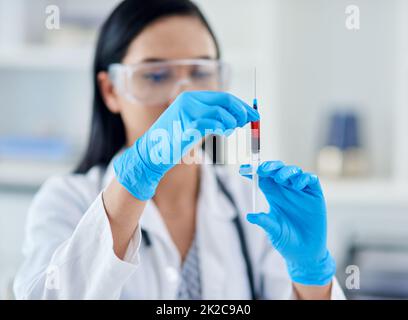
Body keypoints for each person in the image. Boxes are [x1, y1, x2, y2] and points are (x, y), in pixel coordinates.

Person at [14, 0, 344, 299]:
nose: (181, 99)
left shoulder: (253, 202)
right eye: (156, 75)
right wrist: (136, 177)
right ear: (111, 90)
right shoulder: (66, 202)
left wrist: (312, 275)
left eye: (201, 72)